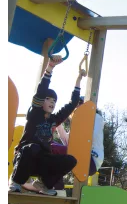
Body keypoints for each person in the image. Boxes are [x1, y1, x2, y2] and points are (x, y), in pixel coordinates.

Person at [8, 55, 85, 196]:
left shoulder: (54, 120)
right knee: (33, 147)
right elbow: (41, 91)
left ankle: (43, 184)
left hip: (42, 161)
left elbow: (71, 105)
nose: (52, 102)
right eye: (48, 99)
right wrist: (50, 68)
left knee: (71, 160)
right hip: (25, 157)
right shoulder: (34, 113)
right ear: (40, 101)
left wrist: (79, 80)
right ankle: (15, 181)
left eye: (54, 100)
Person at [51, 96, 104, 190]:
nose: (74, 111)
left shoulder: (96, 118)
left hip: (91, 160)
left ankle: (55, 185)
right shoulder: (78, 121)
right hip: (80, 155)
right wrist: (57, 124)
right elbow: (67, 142)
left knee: (52, 148)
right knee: (48, 145)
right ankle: (54, 185)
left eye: (77, 107)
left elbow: (90, 137)